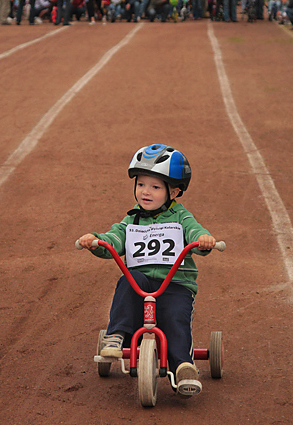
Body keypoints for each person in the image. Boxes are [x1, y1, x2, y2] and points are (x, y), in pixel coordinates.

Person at [77, 144, 217, 397]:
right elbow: (113, 240)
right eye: (141, 184)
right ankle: (116, 335)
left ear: (173, 191)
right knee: (128, 280)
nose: (145, 192)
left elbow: (194, 231)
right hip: (142, 285)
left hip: (174, 284)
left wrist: (204, 240)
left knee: (175, 319)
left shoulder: (180, 217)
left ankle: (184, 366)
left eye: (155, 187)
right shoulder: (132, 220)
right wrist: (96, 241)